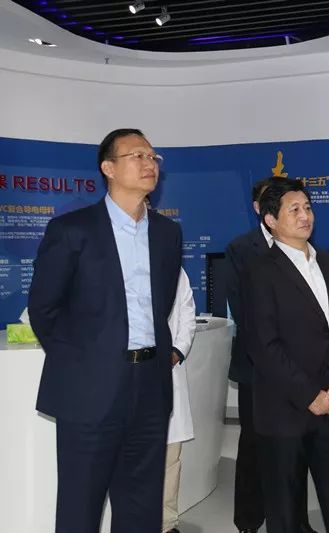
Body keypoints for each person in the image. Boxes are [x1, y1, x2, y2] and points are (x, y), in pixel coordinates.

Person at [28, 128, 182, 532]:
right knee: (80, 506)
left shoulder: (167, 233)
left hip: (149, 385)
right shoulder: (72, 230)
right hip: (90, 389)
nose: (149, 164)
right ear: (108, 168)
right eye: (137, 156)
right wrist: (83, 362)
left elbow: (161, 305)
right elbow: (44, 308)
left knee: (141, 507)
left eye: (153, 157)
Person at [241, 177, 329, 533]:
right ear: (270, 220)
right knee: (286, 514)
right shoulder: (259, 271)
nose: (305, 216)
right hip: (285, 413)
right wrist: (311, 395)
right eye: (293, 209)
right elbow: (264, 346)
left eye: (308, 208)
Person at [225, 178, 316, 533]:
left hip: (298, 369)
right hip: (256, 366)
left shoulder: (305, 248)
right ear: (260, 210)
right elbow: (244, 311)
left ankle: (297, 520)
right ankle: (249, 520)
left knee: (297, 447)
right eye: (273, 200)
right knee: (253, 444)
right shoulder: (241, 248)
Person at [162, 267, 197, 533]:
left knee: (170, 458)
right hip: (129, 374)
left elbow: (187, 313)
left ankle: (167, 523)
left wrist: (177, 351)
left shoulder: (174, 268)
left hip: (167, 371)